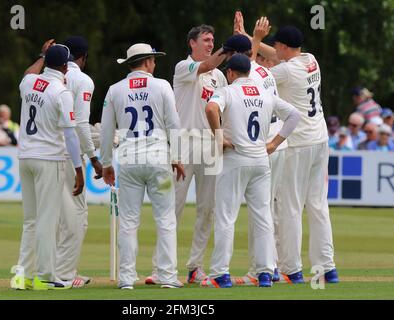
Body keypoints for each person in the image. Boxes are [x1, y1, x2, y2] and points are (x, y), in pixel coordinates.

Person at [235, 12, 339, 284]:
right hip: (320, 140)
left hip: (298, 144)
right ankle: (327, 267)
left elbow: (251, 74)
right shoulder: (310, 60)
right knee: (317, 205)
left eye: (277, 46)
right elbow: (277, 53)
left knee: (290, 207)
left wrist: (254, 41)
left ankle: (292, 269)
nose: (274, 51)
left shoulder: (285, 70)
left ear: (283, 47)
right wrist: (250, 37)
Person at [201, 54, 300, 288]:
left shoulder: (228, 91)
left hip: (236, 158)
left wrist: (219, 136)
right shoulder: (265, 93)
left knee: (226, 216)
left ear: (232, 73)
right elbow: (294, 116)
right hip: (260, 160)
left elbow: (211, 108)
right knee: (263, 216)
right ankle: (265, 273)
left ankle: (220, 274)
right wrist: (274, 143)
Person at [148, 24, 231, 285]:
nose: (209, 44)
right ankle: (160, 268)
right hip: (182, 144)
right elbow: (204, 66)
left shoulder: (219, 76)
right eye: (206, 40)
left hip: (209, 144)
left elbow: (224, 109)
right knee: (172, 207)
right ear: (192, 43)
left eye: (213, 40)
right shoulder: (183, 68)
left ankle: (195, 267)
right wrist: (229, 47)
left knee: (207, 209)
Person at [100, 43, 185, 290]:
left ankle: (126, 279)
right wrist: (177, 156)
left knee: (128, 221)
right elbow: (174, 123)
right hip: (159, 159)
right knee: (166, 219)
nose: (155, 64)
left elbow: (106, 130)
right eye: (153, 60)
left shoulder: (115, 90)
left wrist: (106, 162)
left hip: (128, 161)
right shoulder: (162, 86)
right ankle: (168, 277)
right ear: (147, 61)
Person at [11, 43, 84, 290]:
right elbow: (71, 136)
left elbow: (27, 73)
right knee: (46, 220)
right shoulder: (61, 91)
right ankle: (45, 276)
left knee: (30, 220)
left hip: (25, 157)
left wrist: (41, 56)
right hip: (49, 159)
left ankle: (21, 275)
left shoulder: (29, 83)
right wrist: (78, 168)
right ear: (65, 66)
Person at [55, 35, 103, 288]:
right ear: (83, 57)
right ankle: (64, 274)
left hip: (46, 154)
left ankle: (47, 269)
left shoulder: (46, 76)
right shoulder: (82, 79)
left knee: (51, 216)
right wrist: (94, 158)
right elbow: (80, 124)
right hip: (68, 156)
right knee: (76, 216)